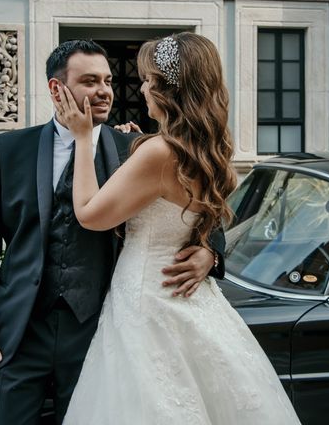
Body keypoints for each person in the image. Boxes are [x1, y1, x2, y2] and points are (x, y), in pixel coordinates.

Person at [0, 39, 225, 424]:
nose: (104, 91)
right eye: (89, 81)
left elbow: (200, 207)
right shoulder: (10, 148)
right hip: (16, 335)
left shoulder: (135, 147)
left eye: (108, 80)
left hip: (99, 332)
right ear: (57, 89)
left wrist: (209, 252)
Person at [57, 32, 301, 424]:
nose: (143, 87)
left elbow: (89, 214)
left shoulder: (158, 152)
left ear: (169, 90)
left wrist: (83, 139)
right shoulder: (207, 151)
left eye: (149, 80)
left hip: (148, 300)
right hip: (190, 300)